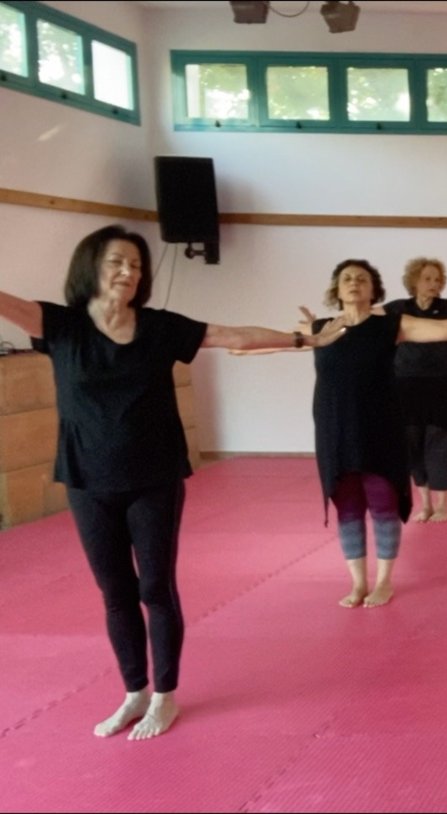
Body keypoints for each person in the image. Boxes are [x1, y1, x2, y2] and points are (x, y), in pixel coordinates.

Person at [0, 225, 345, 741]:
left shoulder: (159, 327)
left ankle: (164, 695)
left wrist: (305, 339)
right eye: (117, 261)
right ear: (91, 266)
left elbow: (232, 336)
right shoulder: (62, 325)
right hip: (87, 480)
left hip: (153, 477)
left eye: (136, 265)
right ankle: (134, 691)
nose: (128, 272)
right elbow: (7, 303)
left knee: (155, 587)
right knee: (115, 592)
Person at [307, 259, 447, 610]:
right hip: (335, 430)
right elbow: (285, 341)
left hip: (381, 428)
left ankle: (383, 581)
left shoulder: (390, 325)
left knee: (383, 504)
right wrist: (252, 347)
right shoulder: (320, 328)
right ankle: (358, 582)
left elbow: (443, 329)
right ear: (336, 288)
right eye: (346, 278)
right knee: (347, 508)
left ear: (374, 289)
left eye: (362, 278)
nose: (354, 282)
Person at [382, 257, 447, 523]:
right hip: (406, 386)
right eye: (427, 278)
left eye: (437, 279)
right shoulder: (397, 309)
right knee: (412, 445)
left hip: (445, 385)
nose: (433, 284)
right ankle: (425, 504)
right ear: (414, 281)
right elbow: (364, 321)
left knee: (442, 445)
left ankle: (443, 505)